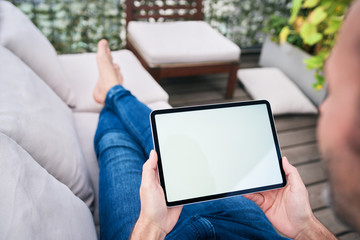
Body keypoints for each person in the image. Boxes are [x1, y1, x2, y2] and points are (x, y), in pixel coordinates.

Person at [93, 0, 360, 238]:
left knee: (119, 140)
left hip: (168, 225)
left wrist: (151, 226)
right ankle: (112, 90)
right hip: (246, 224)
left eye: (333, 92)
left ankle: (112, 91)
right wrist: (305, 228)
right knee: (166, 140)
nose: (323, 108)